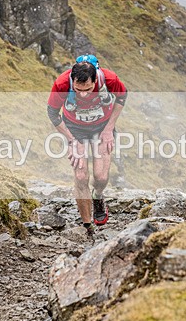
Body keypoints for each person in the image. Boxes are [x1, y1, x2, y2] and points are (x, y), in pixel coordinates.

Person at [47, 55, 127, 234]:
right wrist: (71, 141)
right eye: (78, 89)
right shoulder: (61, 84)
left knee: (100, 177)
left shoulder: (109, 79)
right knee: (81, 175)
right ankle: (87, 225)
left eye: (89, 89)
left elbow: (122, 97)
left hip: (102, 127)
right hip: (75, 129)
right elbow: (52, 113)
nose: (83, 94)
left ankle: (98, 197)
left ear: (95, 80)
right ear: (72, 81)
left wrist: (109, 128)